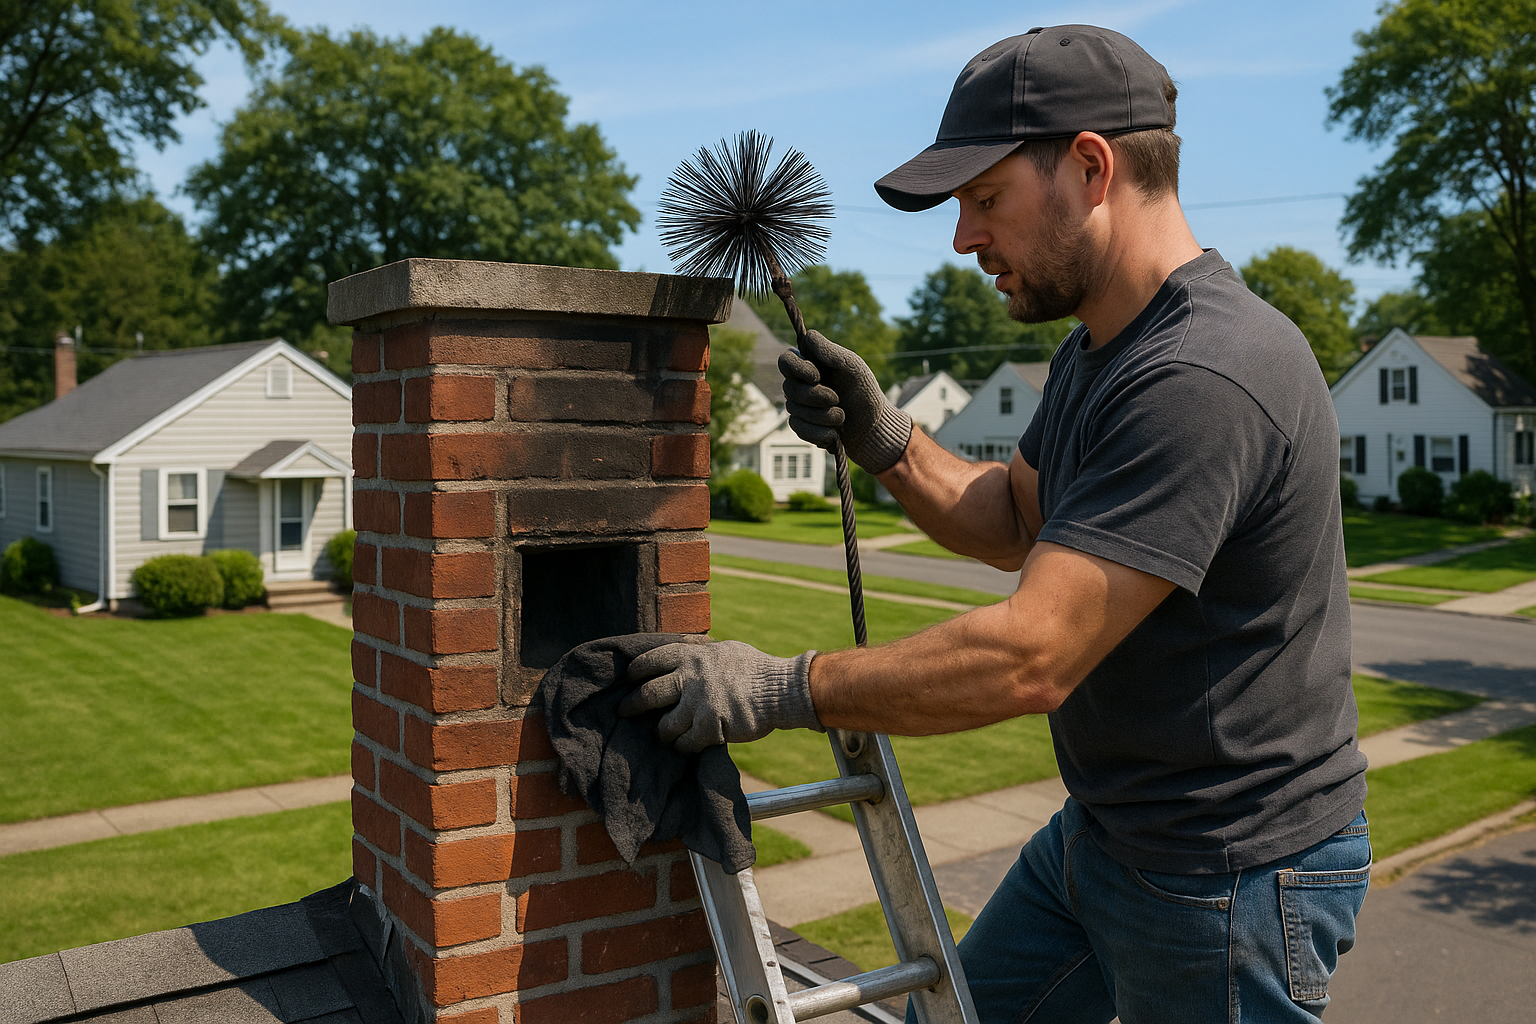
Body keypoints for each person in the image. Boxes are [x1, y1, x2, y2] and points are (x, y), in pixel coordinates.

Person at [621, 24, 1369, 1023]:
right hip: (1109, 834)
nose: (965, 239)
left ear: (1092, 167)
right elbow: (1017, 516)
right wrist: (889, 437)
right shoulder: (1098, 354)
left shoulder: (1201, 374)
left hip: (1227, 869)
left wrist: (778, 688)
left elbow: (1032, 654)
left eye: (984, 199)